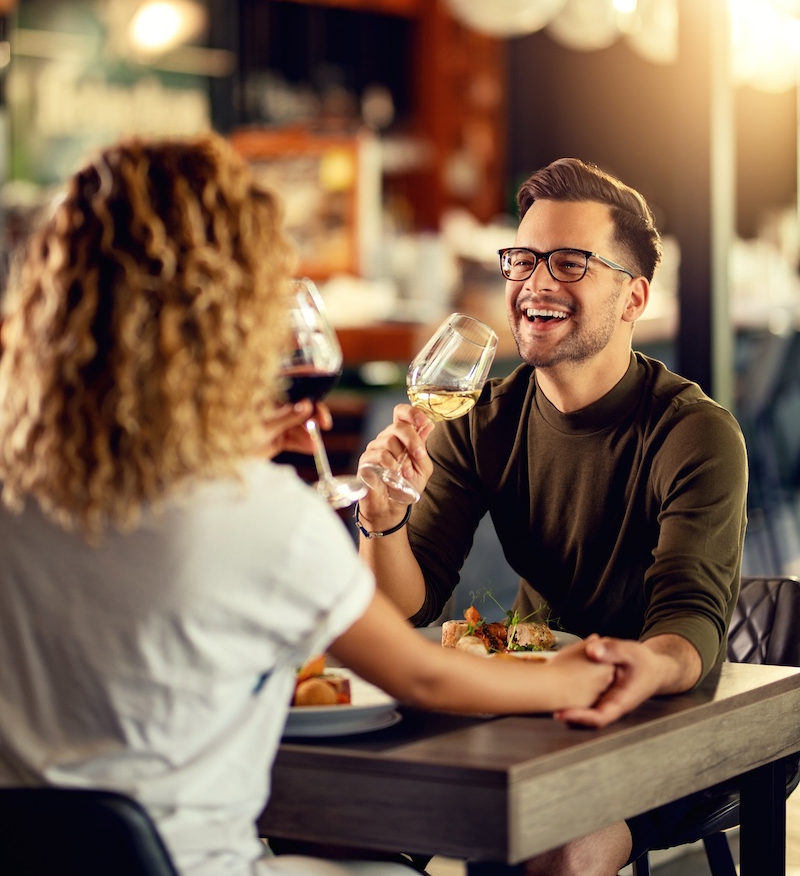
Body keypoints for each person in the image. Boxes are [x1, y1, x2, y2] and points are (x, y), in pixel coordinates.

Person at [0, 135, 614, 876]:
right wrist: (576, 673)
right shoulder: (258, 514)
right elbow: (419, 676)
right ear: (228, 311)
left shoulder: (17, 485)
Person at [355, 156, 748, 876]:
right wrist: (383, 522)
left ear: (634, 298)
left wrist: (639, 663)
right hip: (523, 710)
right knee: (345, 817)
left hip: (662, 719)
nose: (535, 282)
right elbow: (411, 600)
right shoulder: (482, 419)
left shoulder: (693, 432)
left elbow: (689, 621)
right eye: (523, 259)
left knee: (561, 846)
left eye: (569, 263)